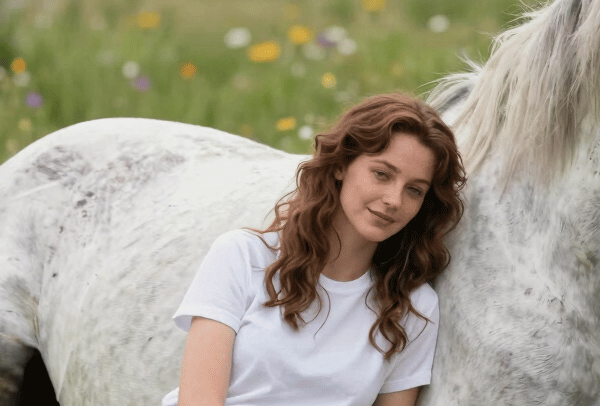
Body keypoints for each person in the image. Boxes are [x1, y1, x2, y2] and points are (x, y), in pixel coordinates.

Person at [161, 93, 466, 406]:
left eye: (414, 190)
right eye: (382, 174)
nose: (394, 199)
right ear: (341, 166)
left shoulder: (413, 308)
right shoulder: (243, 257)